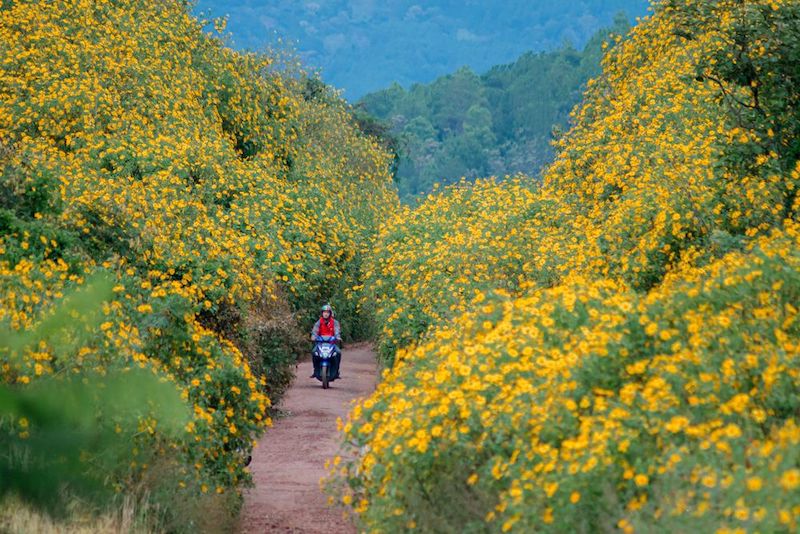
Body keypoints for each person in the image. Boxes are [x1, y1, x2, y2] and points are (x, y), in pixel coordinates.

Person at [310, 304, 342, 379]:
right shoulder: (318, 322)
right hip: (320, 343)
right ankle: (315, 370)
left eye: (327, 312)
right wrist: (313, 337)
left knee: (338, 353)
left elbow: (337, 331)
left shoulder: (335, 322)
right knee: (314, 352)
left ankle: (336, 371)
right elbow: (315, 331)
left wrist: (338, 337)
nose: (326, 314)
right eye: (324, 312)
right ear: (322, 313)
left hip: (332, 343)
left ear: (330, 313)